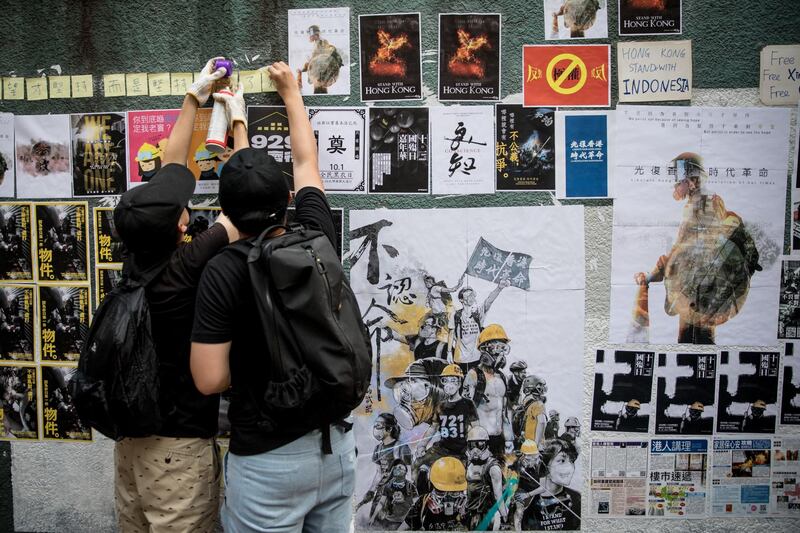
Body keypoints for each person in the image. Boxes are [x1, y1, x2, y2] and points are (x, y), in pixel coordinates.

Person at [190, 61, 355, 532]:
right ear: (286, 197)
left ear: (224, 211)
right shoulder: (316, 234)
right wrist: (290, 93)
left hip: (267, 460)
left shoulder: (222, 270)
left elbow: (208, 379)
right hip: (336, 447)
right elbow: (306, 162)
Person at [111, 57, 240, 533]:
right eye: (182, 208)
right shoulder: (187, 266)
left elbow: (171, 162)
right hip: (178, 451)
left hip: (130, 444)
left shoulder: (137, 258)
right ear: (181, 223)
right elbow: (243, 212)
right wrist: (238, 124)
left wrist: (195, 96)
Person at [415, 364, 479, 492]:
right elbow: (433, 428)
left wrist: (475, 448)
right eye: (446, 380)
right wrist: (422, 445)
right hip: (442, 449)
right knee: (418, 465)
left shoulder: (467, 404)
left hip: (461, 451)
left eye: (453, 380)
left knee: (464, 480)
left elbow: (476, 429)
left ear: (459, 383)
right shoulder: (440, 405)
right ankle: (423, 499)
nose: (449, 384)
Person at [463, 324, 514, 460]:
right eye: (497, 347)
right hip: (479, 441)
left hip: (498, 439)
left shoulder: (502, 377)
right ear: (485, 349)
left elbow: (505, 412)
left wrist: (509, 438)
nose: (501, 353)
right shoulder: (473, 375)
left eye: (504, 348)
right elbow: (465, 409)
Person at [357, 413, 412, 518]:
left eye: (378, 425)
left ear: (389, 429)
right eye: (375, 425)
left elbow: (409, 474)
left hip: (397, 494)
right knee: (373, 522)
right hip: (381, 493)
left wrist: (406, 495)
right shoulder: (378, 449)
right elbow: (379, 473)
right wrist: (371, 491)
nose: (375, 428)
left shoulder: (402, 448)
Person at [518, 439, 581, 531]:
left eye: (571, 461)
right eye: (562, 461)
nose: (569, 468)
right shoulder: (530, 505)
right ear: (545, 465)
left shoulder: (577, 498)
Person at [449, 279, 509, 372]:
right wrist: (449, 352)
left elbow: (488, 301)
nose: (471, 298)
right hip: (460, 359)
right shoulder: (455, 315)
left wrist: (499, 288)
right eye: (468, 296)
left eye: (472, 295)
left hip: (477, 358)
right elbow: (451, 333)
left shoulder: (478, 314)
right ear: (461, 300)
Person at [401, 456, 469, 531]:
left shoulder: (469, 507)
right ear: (431, 487)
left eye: (454, 492)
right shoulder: (423, 503)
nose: (447, 498)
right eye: (441, 491)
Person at [464, 426, 507, 530]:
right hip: (471, 511)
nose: (475, 450)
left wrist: (505, 516)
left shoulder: (493, 468)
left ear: (486, 445)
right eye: (472, 445)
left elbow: (498, 495)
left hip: (489, 513)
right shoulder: (469, 463)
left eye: (479, 445)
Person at [369, 459, 418, 530]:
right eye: (395, 468)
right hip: (388, 520)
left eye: (400, 468)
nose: (397, 469)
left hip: (402, 522)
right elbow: (381, 503)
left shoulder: (411, 487)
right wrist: (373, 518)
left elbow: (415, 505)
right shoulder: (388, 486)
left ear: (405, 472)